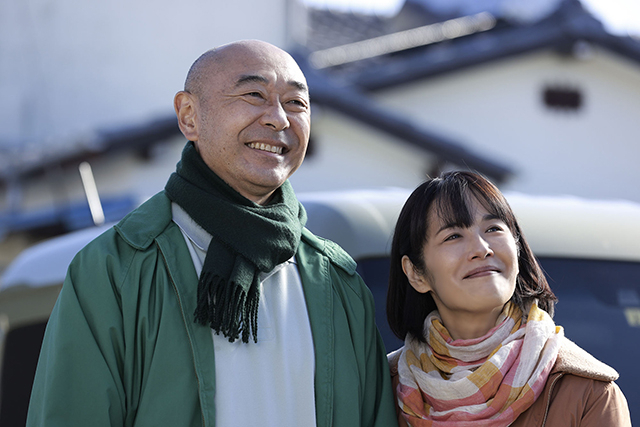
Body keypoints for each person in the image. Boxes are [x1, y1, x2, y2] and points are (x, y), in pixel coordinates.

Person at [27, 40, 397, 427]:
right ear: (189, 116)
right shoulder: (114, 269)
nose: (279, 119)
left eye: (296, 103)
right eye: (255, 94)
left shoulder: (338, 282)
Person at [386, 171, 631, 426]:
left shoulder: (588, 394)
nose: (482, 249)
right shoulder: (386, 388)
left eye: (493, 229)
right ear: (416, 273)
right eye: (453, 236)